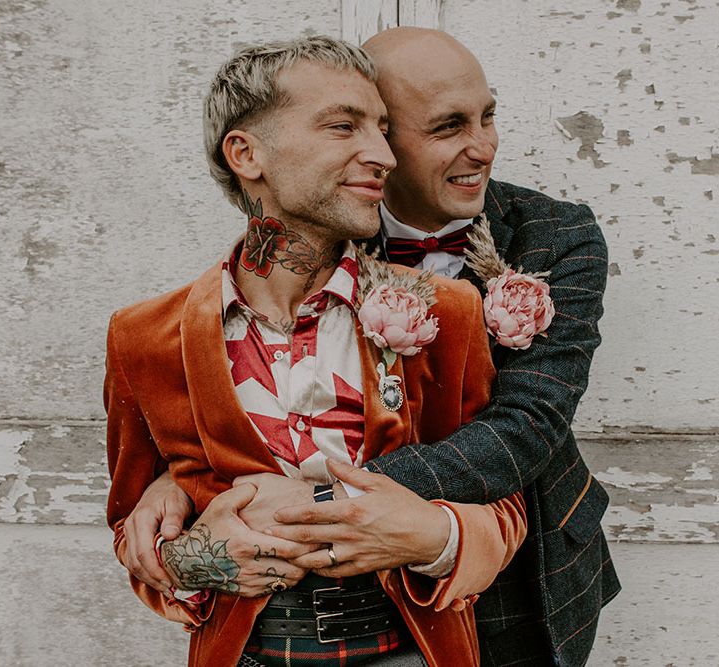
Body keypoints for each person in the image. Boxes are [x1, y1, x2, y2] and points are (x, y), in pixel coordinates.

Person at [121, 28, 621, 666]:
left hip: (529, 554)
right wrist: (179, 475)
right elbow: (273, 380)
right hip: (349, 602)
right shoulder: (321, 223)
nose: (484, 147)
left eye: (487, 116)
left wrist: (329, 497)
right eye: (446, 127)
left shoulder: (558, 234)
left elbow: (528, 422)